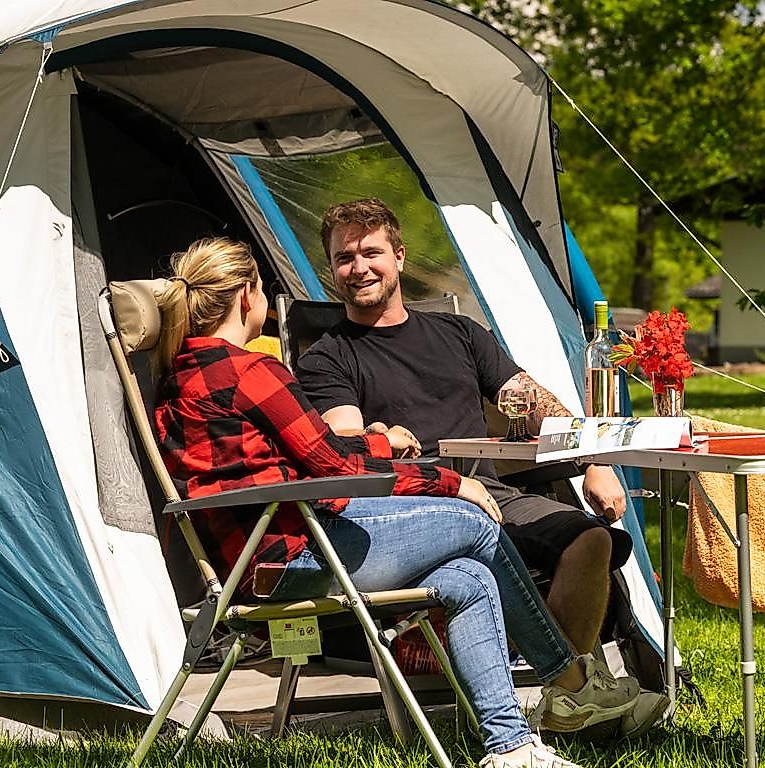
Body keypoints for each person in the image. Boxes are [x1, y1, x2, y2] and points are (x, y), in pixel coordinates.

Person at [152, 237, 639, 768]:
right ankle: (569, 680)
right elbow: (334, 468)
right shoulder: (251, 372)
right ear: (248, 295)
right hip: (290, 556)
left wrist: (379, 444)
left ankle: (511, 747)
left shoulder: (183, 372)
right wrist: (448, 483)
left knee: (469, 577)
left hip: (260, 555)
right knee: (474, 522)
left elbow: (310, 454)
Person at [295, 199, 670, 737]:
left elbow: (531, 402)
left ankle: (563, 702)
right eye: (344, 258)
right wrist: (375, 438)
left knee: (590, 539)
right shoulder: (327, 356)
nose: (359, 268)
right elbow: (345, 441)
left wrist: (594, 461)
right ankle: (576, 692)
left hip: (491, 492)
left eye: (371, 253)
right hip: (410, 507)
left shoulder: (460, 334)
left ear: (399, 256)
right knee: (483, 539)